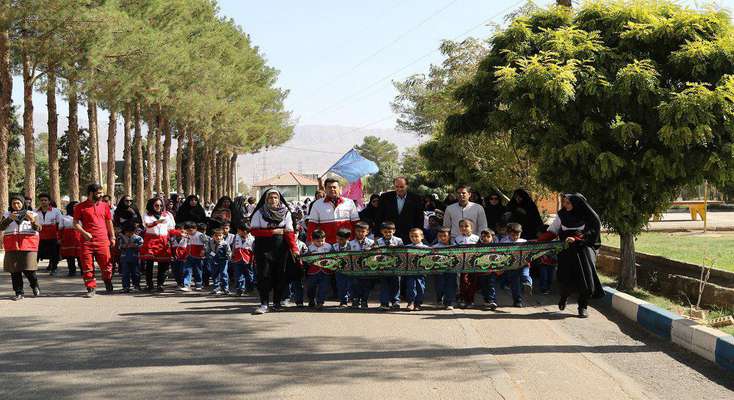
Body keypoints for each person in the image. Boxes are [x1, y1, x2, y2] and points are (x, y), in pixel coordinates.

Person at [539, 193, 604, 318]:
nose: (565, 205)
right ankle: (563, 297)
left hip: (584, 250)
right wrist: (538, 241)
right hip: (566, 250)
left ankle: (583, 306)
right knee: (565, 277)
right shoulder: (562, 215)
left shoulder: (589, 216)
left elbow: (591, 233)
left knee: (586, 279)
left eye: (568, 202)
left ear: (577, 203)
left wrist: (577, 239)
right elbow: (553, 231)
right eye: (564, 202)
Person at [250, 188, 299, 314]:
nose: (273, 200)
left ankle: (277, 302)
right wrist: (272, 232)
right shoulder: (259, 213)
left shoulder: (286, 213)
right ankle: (264, 304)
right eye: (270, 198)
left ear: (279, 199)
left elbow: (289, 232)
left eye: (276, 197)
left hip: (281, 247)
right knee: (264, 275)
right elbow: (254, 231)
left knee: (280, 274)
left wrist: (294, 249)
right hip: (263, 247)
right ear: (266, 199)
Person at [73, 183, 116, 297]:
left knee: (106, 264)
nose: (101, 195)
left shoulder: (104, 206)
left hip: (102, 240)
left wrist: (112, 237)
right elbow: (75, 223)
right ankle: (91, 287)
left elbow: (109, 222)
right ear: (91, 193)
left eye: (101, 192)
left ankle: (108, 281)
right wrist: (84, 233)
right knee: (87, 265)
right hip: (87, 241)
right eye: (98, 193)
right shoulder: (80, 207)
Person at [1, 195, 41, 300]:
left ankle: (35, 286)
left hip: (28, 245)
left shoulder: (33, 214)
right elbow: (1, 227)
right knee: (15, 270)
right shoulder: (7, 214)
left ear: (23, 203)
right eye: (13, 203)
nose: (16, 205)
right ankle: (19, 292)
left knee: (29, 269)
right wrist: (9, 219)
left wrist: (32, 220)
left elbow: (39, 228)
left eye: (18, 203)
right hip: (12, 245)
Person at [306, 178, 359, 243]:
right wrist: (310, 240)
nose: (332, 189)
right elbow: (312, 225)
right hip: (325, 244)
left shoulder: (349, 202)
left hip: (347, 243)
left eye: (334, 187)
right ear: (325, 189)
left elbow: (356, 224)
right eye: (329, 187)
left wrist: (357, 240)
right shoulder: (317, 204)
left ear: (339, 188)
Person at [140, 197, 176, 292]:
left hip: (163, 241)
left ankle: (160, 284)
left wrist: (180, 233)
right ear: (152, 205)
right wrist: (157, 222)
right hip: (151, 240)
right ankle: (149, 284)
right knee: (149, 264)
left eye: (160, 205)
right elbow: (147, 225)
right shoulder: (147, 214)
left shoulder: (167, 215)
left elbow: (170, 229)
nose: (158, 207)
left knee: (163, 264)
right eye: (156, 205)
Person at [376, 177, 425, 243]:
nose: (399, 189)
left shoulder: (416, 199)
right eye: (397, 187)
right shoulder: (385, 197)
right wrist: (377, 234)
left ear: (407, 186)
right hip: (388, 236)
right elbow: (379, 217)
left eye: (402, 187)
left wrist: (419, 235)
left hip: (409, 237)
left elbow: (420, 219)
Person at [501, 223, 531, 307]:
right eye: (513, 234)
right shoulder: (504, 242)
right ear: (508, 233)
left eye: (518, 234)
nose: (515, 237)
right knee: (514, 285)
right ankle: (517, 301)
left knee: (525, 275)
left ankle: (527, 285)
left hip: (523, 264)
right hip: (511, 266)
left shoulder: (524, 241)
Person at [376, 221, 403, 311]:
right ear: (381, 232)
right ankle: (384, 302)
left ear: (394, 231)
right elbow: (375, 251)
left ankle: (395, 301)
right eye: (385, 232)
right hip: (383, 266)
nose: (387, 234)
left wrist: (396, 248)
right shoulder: (379, 241)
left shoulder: (398, 240)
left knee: (395, 284)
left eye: (390, 232)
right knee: (384, 284)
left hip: (395, 266)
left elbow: (403, 252)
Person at [455, 219, 480, 308]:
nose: (463, 228)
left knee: (472, 283)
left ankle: (470, 301)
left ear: (472, 228)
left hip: (473, 265)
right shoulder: (457, 239)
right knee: (463, 282)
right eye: (461, 226)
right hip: (462, 265)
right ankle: (463, 299)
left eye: (466, 226)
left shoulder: (476, 238)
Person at [349, 221, 375, 309]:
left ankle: (364, 300)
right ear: (355, 231)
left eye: (363, 231)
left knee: (366, 285)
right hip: (355, 269)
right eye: (358, 231)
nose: (360, 233)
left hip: (367, 268)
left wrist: (371, 250)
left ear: (367, 232)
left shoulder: (372, 243)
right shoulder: (350, 243)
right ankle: (356, 299)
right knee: (355, 284)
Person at [305, 229, 332, 309]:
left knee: (324, 287)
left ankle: (320, 302)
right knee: (311, 287)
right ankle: (311, 299)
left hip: (325, 271)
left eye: (322, 241)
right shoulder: (309, 248)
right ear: (313, 240)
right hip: (312, 272)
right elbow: (306, 259)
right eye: (318, 241)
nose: (320, 243)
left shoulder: (329, 247)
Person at [36, 193, 62, 275]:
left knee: (54, 253)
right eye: (41, 200)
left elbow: (59, 224)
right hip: (39, 236)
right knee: (37, 252)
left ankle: (54, 268)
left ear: (49, 201)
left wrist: (59, 237)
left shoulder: (56, 211)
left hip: (52, 235)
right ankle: (32, 269)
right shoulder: (35, 211)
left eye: (45, 200)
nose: (43, 202)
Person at [404, 228, 429, 311]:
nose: (414, 238)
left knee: (420, 287)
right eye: (412, 236)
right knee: (410, 286)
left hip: (421, 272)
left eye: (416, 236)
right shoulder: (406, 247)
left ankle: (418, 303)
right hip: (410, 272)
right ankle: (410, 302)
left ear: (422, 237)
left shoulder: (426, 248)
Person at [432, 227, 456, 310]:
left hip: (451, 270)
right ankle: (440, 300)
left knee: (450, 285)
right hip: (439, 270)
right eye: (440, 236)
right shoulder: (435, 247)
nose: (442, 238)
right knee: (439, 285)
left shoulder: (455, 246)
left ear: (449, 236)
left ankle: (449, 302)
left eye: (445, 235)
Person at [476, 228, 500, 310]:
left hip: (492, 271)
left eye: (488, 236)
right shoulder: (477, 247)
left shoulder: (496, 248)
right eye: (483, 236)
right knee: (483, 287)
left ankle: (492, 300)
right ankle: (486, 301)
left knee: (491, 285)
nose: (485, 238)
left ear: (492, 238)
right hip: (481, 271)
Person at [117, 222, 143, 293]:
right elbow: (119, 246)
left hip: (135, 258)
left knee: (136, 273)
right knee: (125, 273)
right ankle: (126, 287)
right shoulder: (121, 237)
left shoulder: (138, 238)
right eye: (127, 232)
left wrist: (136, 246)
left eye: (131, 232)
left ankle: (136, 286)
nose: (129, 234)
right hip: (124, 258)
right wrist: (123, 246)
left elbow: (142, 246)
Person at [206, 227, 232, 295]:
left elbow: (229, 252)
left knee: (224, 274)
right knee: (215, 274)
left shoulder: (225, 244)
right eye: (216, 236)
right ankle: (216, 288)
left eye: (220, 235)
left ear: (223, 235)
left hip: (223, 260)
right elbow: (208, 251)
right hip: (214, 260)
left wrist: (228, 257)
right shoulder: (210, 242)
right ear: (213, 236)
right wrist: (213, 255)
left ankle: (226, 288)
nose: (218, 237)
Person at [231, 224, 255, 296]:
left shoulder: (252, 238)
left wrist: (253, 260)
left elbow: (254, 250)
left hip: (248, 259)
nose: (238, 232)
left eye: (239, 231)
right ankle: (239, 289)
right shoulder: (236, 236)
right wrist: (232, 254)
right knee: (238, 275)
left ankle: (250, 289)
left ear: (245, 231)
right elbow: (234, 246)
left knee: (249, 275)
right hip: (238, 258)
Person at [183, 221, 207, 291]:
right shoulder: (187, 235)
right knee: (187, 270)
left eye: (190, 230)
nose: (189, 232)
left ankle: (199, 284)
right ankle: (186, 285)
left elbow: (206, 243)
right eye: (187, 230)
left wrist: (203, 251)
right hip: (189, 255)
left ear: (195, 228)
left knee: (198, 270)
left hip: (198, 256)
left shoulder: (200, 235)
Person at [59, 201, 82, 276]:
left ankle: (83, 270)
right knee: (70, 256)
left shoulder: (83, 217)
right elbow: (60, 229)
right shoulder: (64, 217)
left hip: (80, 238)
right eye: (74, 206)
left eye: (78, 206)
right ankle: (72, 270)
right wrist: (59, 238)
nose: (76, 207)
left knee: (81, 255)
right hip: (68, 239)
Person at [332, 228, 353, 307]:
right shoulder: (334, 246)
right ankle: (343, 301)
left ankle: (352, 299)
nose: (338, 241)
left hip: (350, 269)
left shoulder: (351, 245)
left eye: (341, 239)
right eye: (337, 239)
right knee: (341, 285)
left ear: (348, 239)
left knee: (350, 284)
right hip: (339, 270)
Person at [169, 224, 189, 290]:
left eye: (184, 232)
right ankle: (179, 283)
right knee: (175, 271)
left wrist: (187, 257)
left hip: (184, 257)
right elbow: (170, 248)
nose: (182, 233)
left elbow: (189, 248)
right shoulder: (172, 238)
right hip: (175, 257)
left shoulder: (187, 238)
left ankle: (185, 284)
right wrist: (171, 256)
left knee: (183, 270)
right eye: (180, 231)